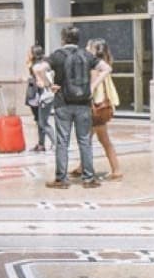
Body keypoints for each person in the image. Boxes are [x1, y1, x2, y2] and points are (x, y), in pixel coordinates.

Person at [34, 25, 110, 189]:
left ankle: (61, 179)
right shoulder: (86, 55)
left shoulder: (57, 55)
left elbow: (38, 68)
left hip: (63, 103)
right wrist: (92, 86)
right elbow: (106, 68)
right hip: (83, 104)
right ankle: (88, 179)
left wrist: (49, 84)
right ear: (78, 39)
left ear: (63, 39)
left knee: (62, 142)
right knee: (85, 141)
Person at [69, 39, 122, 180]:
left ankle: (116, 170)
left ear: (93, 50)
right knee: (88, 139)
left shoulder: (94, 68)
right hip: (101, 108)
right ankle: (82, 166)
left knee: (102, 140)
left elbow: (91, 89)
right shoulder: (105, 64)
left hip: (94, 109)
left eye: (88, 46)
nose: (85, 48)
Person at [25, 44, 55, 153]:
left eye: (29, 52)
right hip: (45, 95)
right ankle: (41, 144)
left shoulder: (35, 67)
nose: (27, 54)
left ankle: (55, 143)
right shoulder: (45, 64)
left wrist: (31, 80)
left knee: (42, 122)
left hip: (41, 96)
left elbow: (41, 83)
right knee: (40, 121)